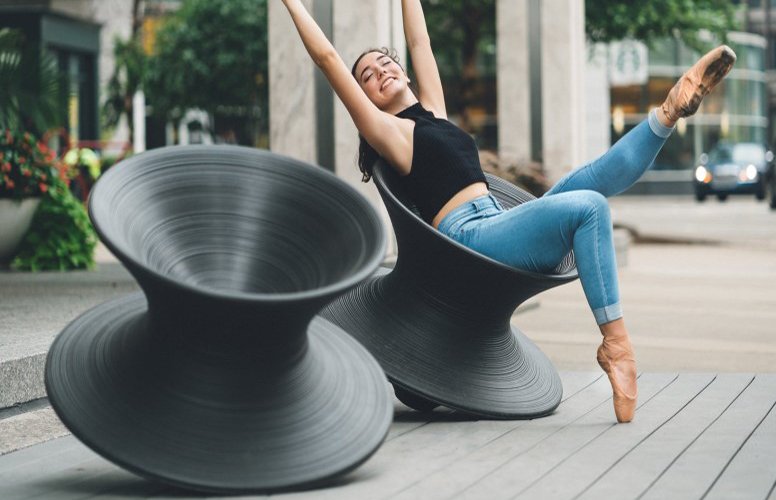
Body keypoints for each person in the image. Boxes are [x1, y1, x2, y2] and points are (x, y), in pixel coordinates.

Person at [281, 0, 736, 423]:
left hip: (499, 221)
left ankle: (671, 109)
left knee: (593, 179)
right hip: (469, 237)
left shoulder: (433, 112)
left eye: (386, 63)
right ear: (367, 99)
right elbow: (327, 59)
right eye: (368, 76)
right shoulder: (389, 133)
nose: (382, 72)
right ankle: (616, 347)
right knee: (589, 207)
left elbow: (418, 39)